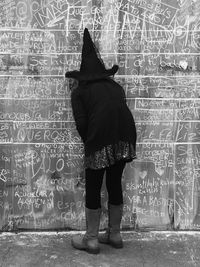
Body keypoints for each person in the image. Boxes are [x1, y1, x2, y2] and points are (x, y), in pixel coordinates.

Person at [65, 28, 137, 254]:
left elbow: (82, 125)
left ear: (82, 77)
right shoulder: (115, 86)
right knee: (114, 182)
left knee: (94, 187)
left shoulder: (79, 92)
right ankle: (115, 235)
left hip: (100, 137)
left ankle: (92, 240)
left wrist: (91, 145)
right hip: (125, 137)